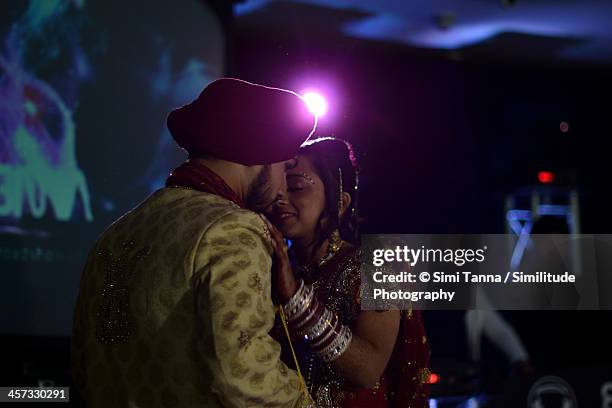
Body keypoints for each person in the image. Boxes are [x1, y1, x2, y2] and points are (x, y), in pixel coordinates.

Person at [70, 78, 319, 407]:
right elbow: (245, 378)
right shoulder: (231, 229)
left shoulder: (115, 234)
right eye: (284, 169)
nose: (281, 192)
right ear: (257, 151)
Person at [264, 137, 431, 407]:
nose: (281, 197)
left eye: (295, 186)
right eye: (277, 188)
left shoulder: (380, 263)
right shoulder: (271, 268)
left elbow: (368, 369)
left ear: (340, 202)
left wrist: (296, 300)